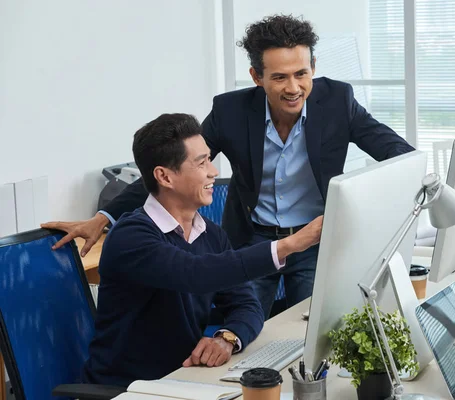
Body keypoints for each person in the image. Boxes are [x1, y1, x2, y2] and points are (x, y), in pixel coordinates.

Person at [42, 14, 414, 319]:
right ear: (256, 77)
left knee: (310, 334)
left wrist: (392, 196)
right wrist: (104, 215)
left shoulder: (338, 102)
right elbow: (175, 169)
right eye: (280, 77)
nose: (294, 87)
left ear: (313, 67)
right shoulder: (231, 111)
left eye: (302, 73)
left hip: (313, 240)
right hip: (250, 238)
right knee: (248, 329)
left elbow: (396, 153)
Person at [81, 113, 322, 387]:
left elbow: (246, 303)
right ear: (164, 176)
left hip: (185, 381)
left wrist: (228, 337)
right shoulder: (131, 237)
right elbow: (195, 274)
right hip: (128, 389)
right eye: (201, 163)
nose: (213, 171)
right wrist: (291, 244)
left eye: (209, 159)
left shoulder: (209, 233)